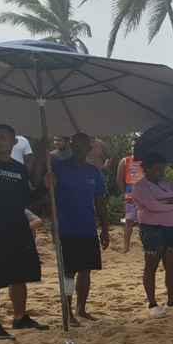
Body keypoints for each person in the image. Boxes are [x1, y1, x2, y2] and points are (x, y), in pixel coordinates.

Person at [0, 124, 46, 340]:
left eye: (3, 136)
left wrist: (46, 186)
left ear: (14, 141)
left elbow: (27, 198)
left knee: (19, 275)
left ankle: (20, 317)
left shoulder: (19, 169)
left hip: (18, 227)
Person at [48, 132, 110, 325]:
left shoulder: (94, 172)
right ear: (71, 145)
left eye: (84, 145)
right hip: (65, 228)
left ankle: (81, 309)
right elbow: (47, 196)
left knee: (86, 270)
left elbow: (100, 203)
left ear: (89, 148)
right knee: (68, 272)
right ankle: (67, 311)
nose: (79, 148)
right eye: (76, 144)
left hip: (88, 228)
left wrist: (105, 229)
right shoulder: (57, 168)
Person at [131, 153, 173, 317]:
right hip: (152, 229)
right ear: (146, 169)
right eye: (157, 168)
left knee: (172, 266)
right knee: (151, 265)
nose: (160, 171)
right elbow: (152, 206)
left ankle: (172, 301)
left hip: (172, 227)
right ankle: (152, 303)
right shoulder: (140, 187)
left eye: (162, 168)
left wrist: (168, 202)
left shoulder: (167, 183)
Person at [116, 151, 144, 253]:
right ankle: (126, 247)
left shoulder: (146, 160)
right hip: (130, 194)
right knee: (129, 221)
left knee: (144, 222)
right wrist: (124, 192)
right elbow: (119, 179)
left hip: (144, 194)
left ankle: (145, 246)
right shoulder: (125, 161)